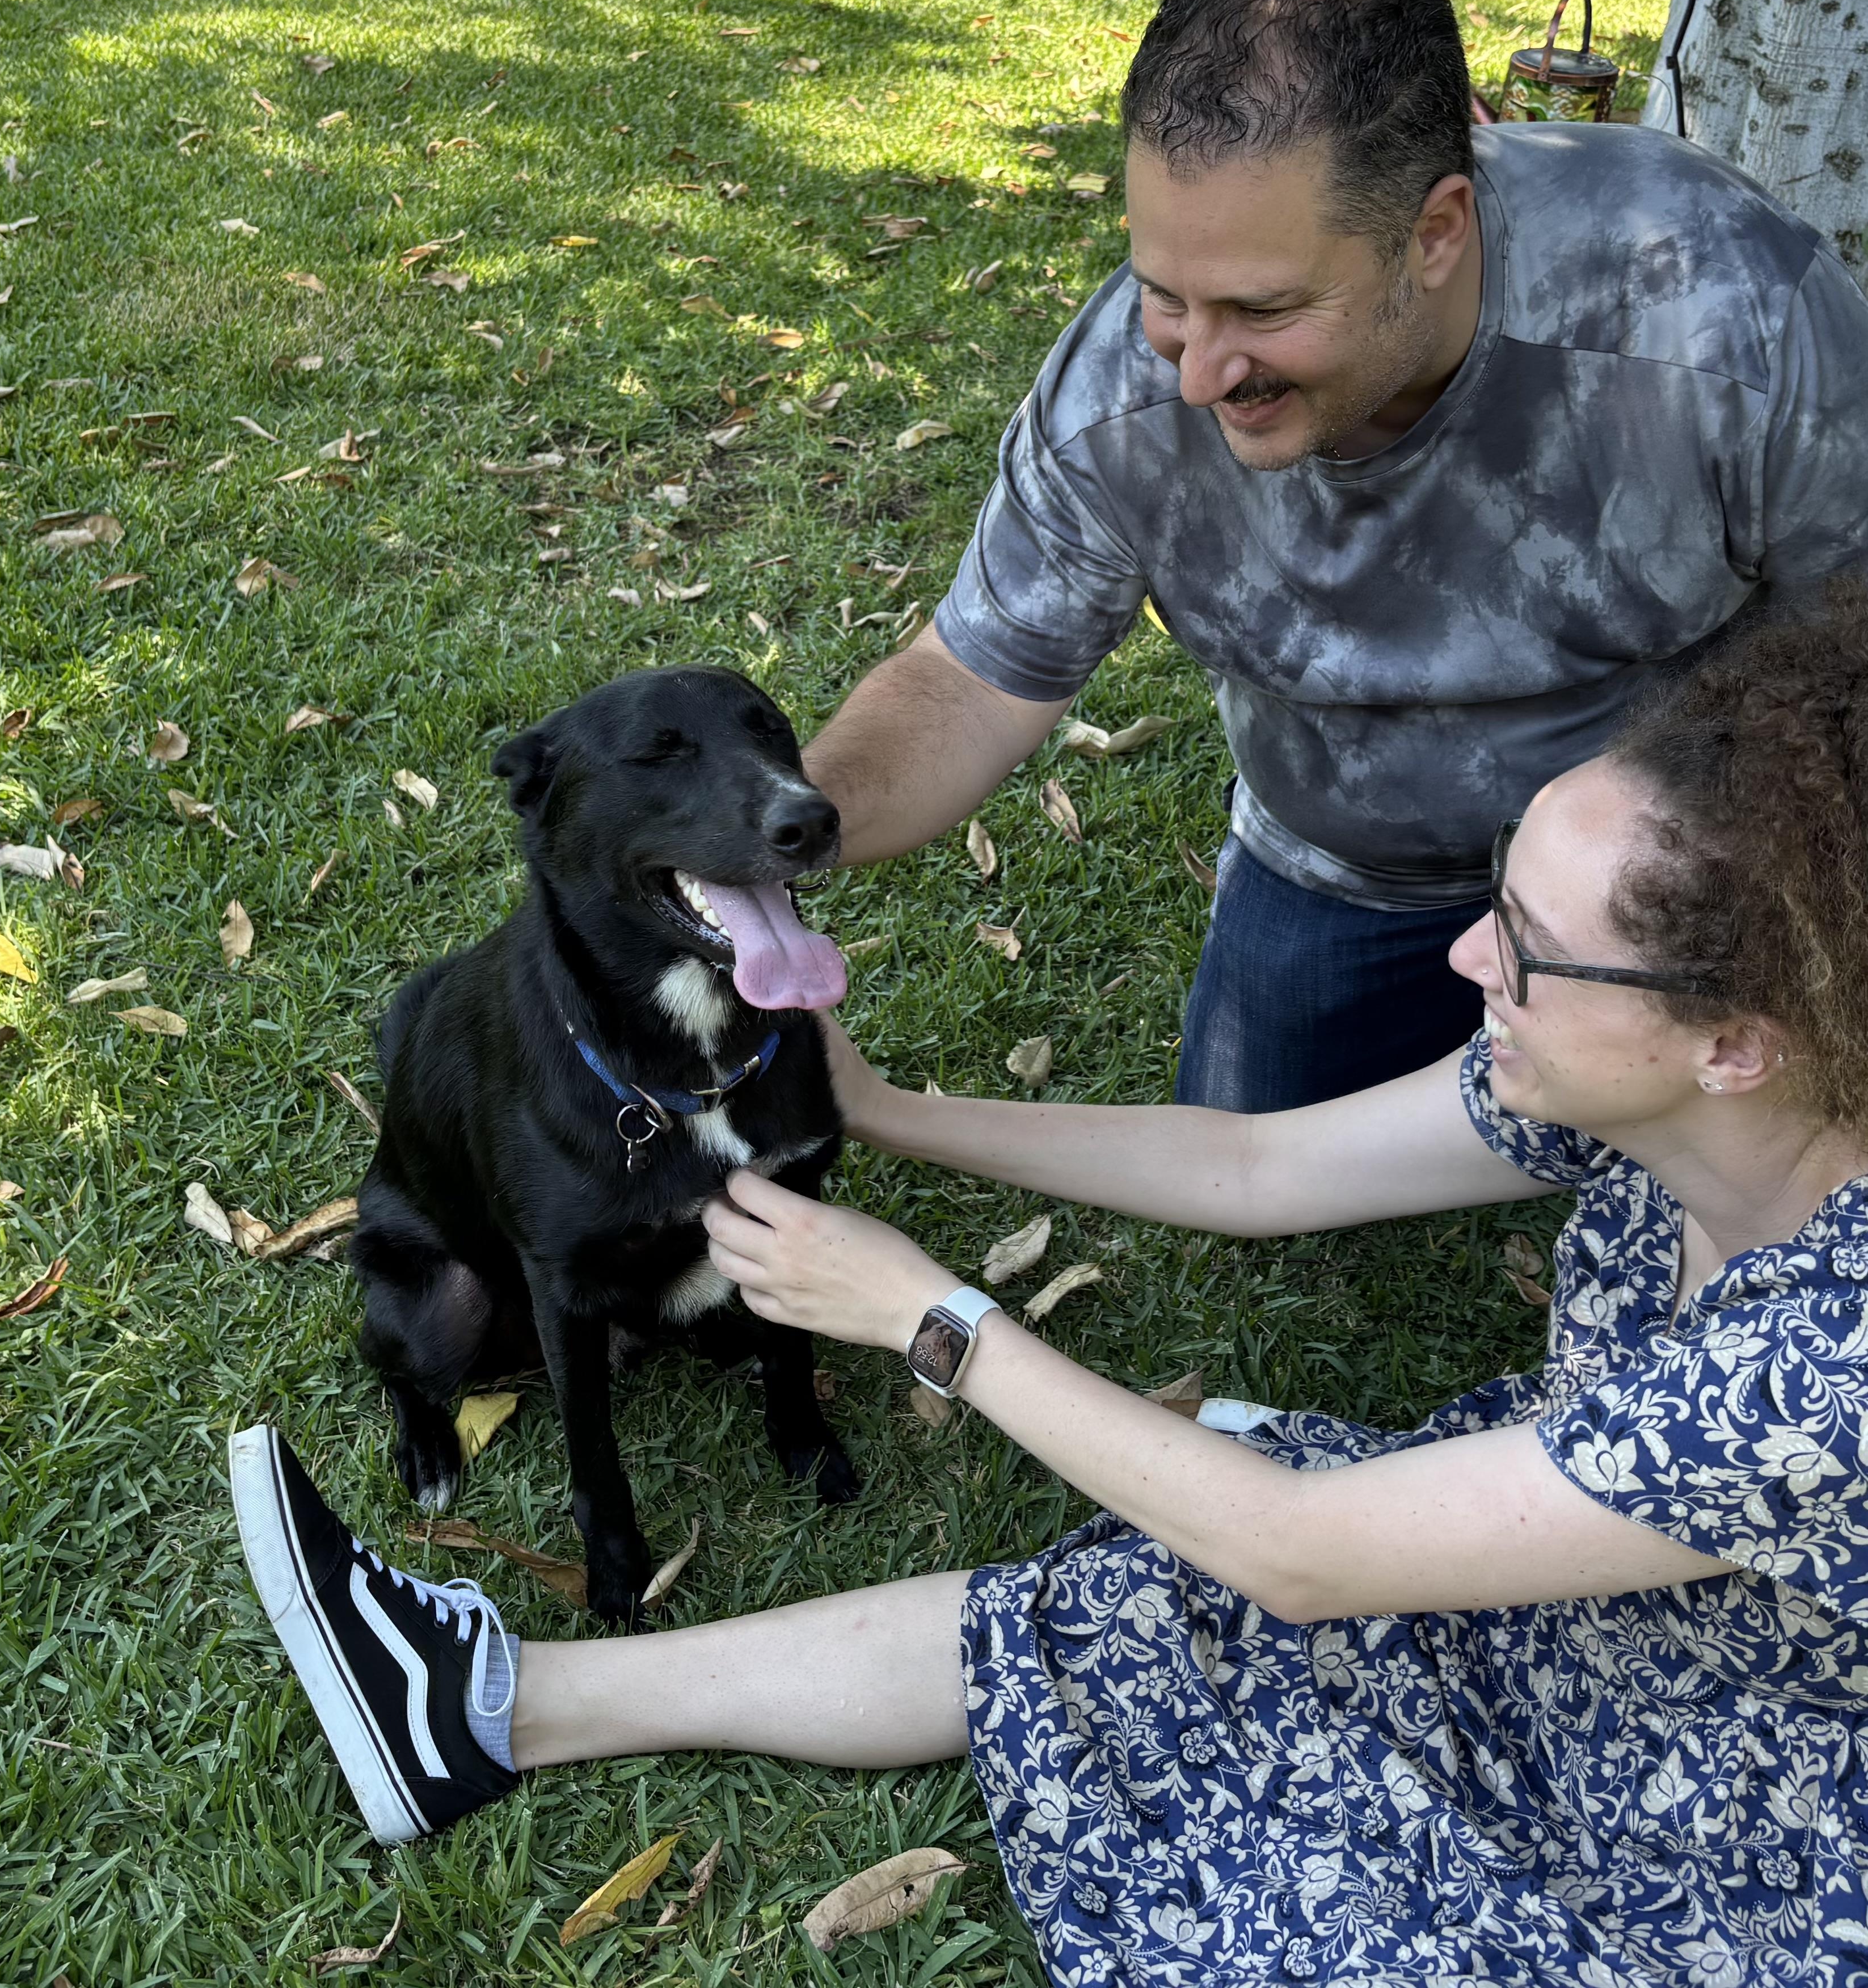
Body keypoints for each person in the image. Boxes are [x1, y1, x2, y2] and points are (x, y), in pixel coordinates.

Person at [231, 592, 1868, 1983]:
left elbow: (1301, 1556)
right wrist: (889, 1109)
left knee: (1250, 1614)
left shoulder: (1827, 1362)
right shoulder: (1659, 1084)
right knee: (1117, 1599)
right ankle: (486, 1699)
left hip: (1725, 1827)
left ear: (1734, 1039)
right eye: (1496, 900)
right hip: (1582, 1592)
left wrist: (926, 1315)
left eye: (1525, 946)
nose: (1463, 957)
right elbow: (1260, 1168)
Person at [799, 0, 1868, 1115]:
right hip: (1338, 870)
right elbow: (970, 682)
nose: (1198, 375)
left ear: (1436, 232)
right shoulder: (1117, 395)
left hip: (1680, 865)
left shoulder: (1725, 316)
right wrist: (777, 828)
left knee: (1711, 1178)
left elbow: (1850, 670)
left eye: (1263, 308)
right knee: (1241, 1147)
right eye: (1165, 294)